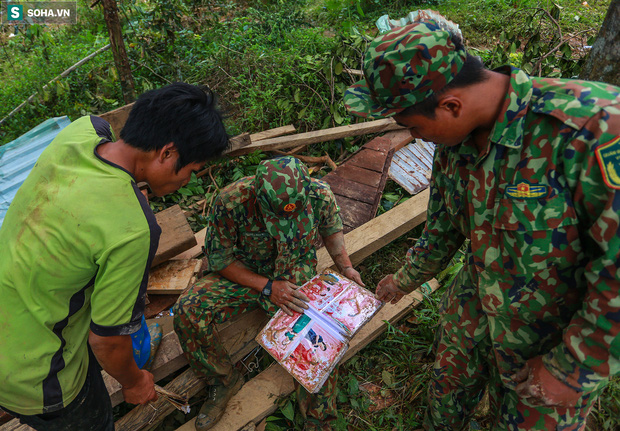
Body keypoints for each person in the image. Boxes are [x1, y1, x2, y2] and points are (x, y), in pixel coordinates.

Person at [343, 17, 620, 431]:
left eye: (414, 127)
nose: (416, 138)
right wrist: (404, 279)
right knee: (445, 403)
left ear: (451, 105)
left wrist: (574, 367)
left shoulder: (592, 128)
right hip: (473, 310)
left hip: (552, 338)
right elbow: (443, 226)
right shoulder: (455, 141)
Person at [0, 82, 229, 430]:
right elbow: (106, 342)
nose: (188, 180)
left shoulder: (80, 133)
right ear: (167, 153)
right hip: (39, 378)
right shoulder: (133, 231)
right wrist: (135, 382)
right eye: (192, 171)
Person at [173, 156, 363, 431]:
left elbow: (332, 231)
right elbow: (221, 260)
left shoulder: (318, 193)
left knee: (314, 334)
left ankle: (319, 421)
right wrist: (267, 286)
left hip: (295, 274)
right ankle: (223, 380)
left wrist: (346, 267)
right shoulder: (231, 201)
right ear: (257, 197)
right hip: (245, 273)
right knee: (187, 310)